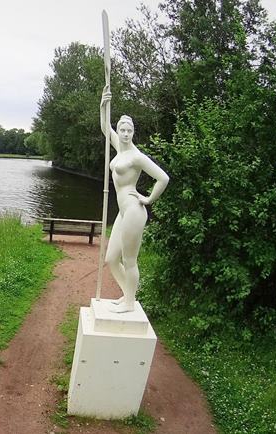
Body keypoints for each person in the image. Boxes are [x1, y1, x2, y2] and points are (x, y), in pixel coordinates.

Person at [100, 85, 169, 313]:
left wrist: (148, 199)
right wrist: (103, 104)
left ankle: (130, 303)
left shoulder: (137, 157)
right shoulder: (119, 148)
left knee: (129, 260)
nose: (125, 133)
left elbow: (163, 178)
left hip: (133, 211)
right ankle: (127, 294)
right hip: (122, 212)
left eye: (129, 130)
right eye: (122, 130)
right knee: (111, 259)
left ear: (133, 132)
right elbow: (104, 127)